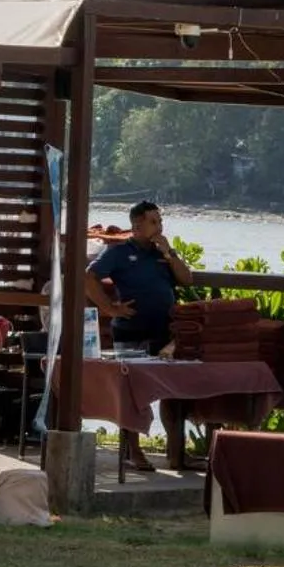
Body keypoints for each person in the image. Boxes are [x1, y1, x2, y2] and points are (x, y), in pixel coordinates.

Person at [82, 200, 193, 470]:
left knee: (172, 392)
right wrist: (110, 309)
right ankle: (133, 451)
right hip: (131, 332)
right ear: (137, 225)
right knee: (131, 394)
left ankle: (176, 452)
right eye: (153, 221)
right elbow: (89, 278)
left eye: (160, 221)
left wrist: (169, 253)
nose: (159, 226)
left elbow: (187, 279)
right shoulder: (120, 252)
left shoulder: (163, 253)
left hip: (163, 332)